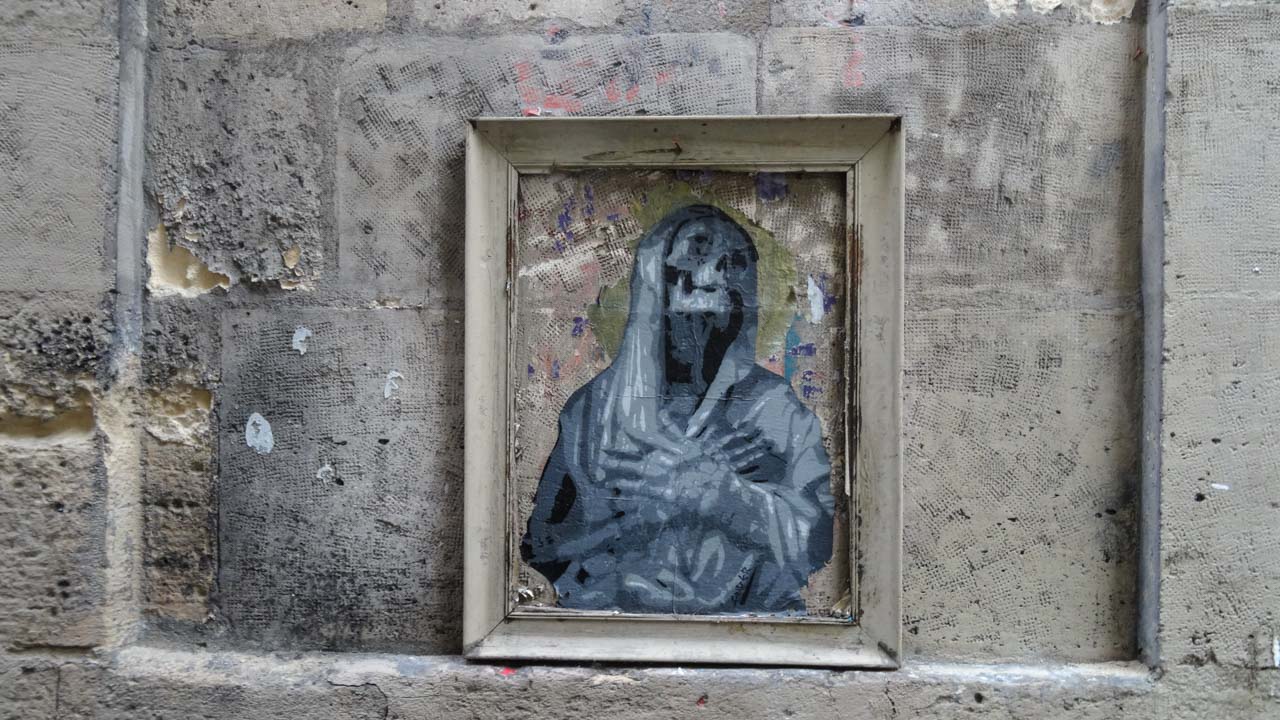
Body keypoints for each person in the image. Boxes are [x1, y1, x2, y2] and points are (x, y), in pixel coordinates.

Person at [521, 204, 834, 614]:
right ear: (655, 296)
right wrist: (639, 523)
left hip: (749, 626)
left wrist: (726, 495)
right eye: (688, 277)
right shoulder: (594, 411)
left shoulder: (775, 410)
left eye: (729, 277)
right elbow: (545, 546)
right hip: (613, 625)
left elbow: (817, 543)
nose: (701, 326)